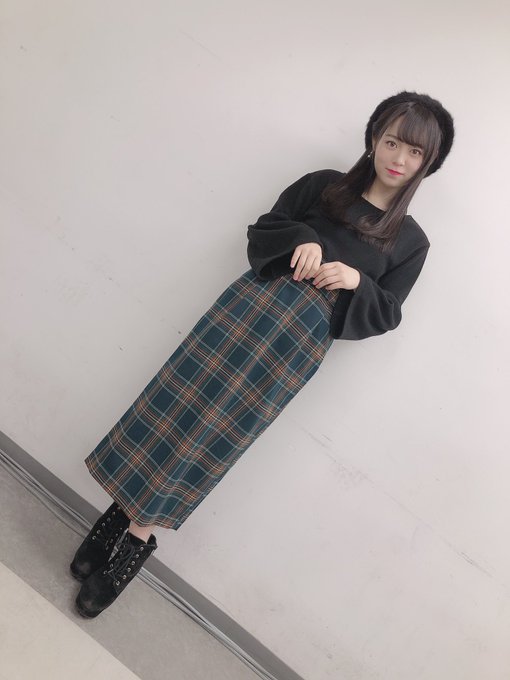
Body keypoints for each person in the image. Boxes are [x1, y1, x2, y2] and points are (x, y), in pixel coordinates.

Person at [70, 91, 455, 618]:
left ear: (427, 164)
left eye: (414, 152)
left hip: (291, 349)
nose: (399, 159)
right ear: (373, 139)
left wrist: (356, 281)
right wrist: (302, 239)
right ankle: (116, 515)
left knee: (213, 435)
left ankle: (135, 540)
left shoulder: (410, 241)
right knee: (173, 408)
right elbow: (265, 226)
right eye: (392, 142)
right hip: (243, 314)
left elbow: (388, 311)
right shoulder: (323, 186)